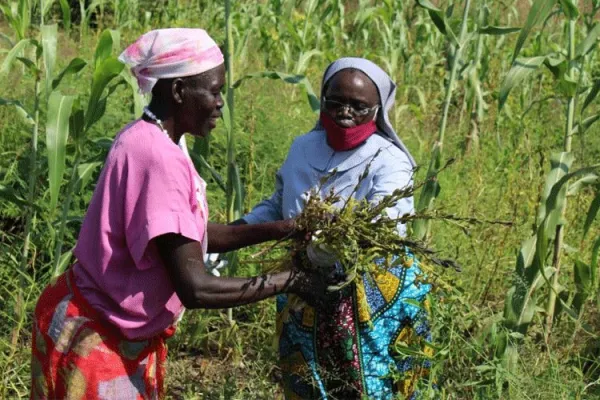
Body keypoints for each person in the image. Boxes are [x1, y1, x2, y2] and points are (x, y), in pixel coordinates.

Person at [29, 28, 329, 400]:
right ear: (178, 91)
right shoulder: (159, 160)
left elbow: (189, 235)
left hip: (83, 314)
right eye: (215, 91)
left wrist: (284, 229)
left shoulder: (146, 136)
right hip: (100, 339)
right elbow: (196, 287)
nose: (221, 103)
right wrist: (291, 281)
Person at [241, 57, 433, 399]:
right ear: (323, 101)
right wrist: (236, 230)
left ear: (377, 110)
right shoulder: (302, 148)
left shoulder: (390, 160)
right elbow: (278, 204)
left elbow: (388, 225)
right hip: (303, 282)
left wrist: (337, 236)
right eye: (336, 102)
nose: (345, 113)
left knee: (366, 383)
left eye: (358, 106)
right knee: (307, 380)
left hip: (369, 291)